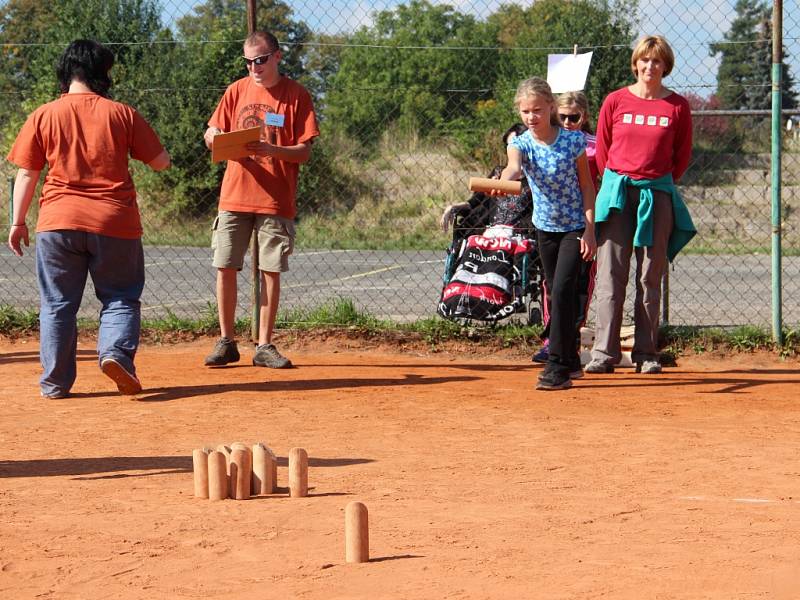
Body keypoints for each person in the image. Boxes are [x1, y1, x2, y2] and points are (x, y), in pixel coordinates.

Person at [6, 39, 170, 399]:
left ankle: (54, 383)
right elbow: (161, 162)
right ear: (101, 74)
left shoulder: (44, 114)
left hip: (57, 221)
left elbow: (28, 174)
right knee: (121, 297)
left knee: (57, 304)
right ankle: (114, 353)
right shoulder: (122, 113)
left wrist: (17, 222)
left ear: (67, 72)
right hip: (114, 222)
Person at [203, 30, 319, 369]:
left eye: (261, 60)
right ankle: (226, 341)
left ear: (277, 57)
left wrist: (273, 150)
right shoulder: (236, 90)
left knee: (270, 270)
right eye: (249, 61)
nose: (254, 66)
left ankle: (265, 345)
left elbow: (305, 152)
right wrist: (216, 138)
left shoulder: (296, 95)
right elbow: (211, 132)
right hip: (234, 195)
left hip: (274, 199)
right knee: (225, 265)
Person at [584, 35, 696, 375]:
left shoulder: (677, 106)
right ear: (636, 64)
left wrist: (655, 182)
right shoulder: (615, 101)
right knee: (610, 276)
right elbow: (603, 153)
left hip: (656, 196)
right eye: (644, 60)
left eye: (657, 61)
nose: (650, 66)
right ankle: (605, 353)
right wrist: (620, 181)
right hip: (617, 195)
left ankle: (646, 353)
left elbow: (682, 155)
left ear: (666, 66)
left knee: (650, 276)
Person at [494, 77, 597, 391]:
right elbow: (513, 169)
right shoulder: (520, 143)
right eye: (525, 111)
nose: (531, 117)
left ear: (551, 107)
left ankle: (556, 367)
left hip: (575, 227)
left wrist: (590, 230)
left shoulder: (572, 142)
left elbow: (587, 186)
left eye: (537, 110)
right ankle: (571, 358)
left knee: (564, 291)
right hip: (544, 228)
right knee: (555, 292)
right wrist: (502, 179)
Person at [533, 91, 599, 364]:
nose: (569, 122)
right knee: (554, 285)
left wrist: (593, 224)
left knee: (580, 285)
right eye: (563, 117)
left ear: (584, 117)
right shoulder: (548, 142)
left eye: (575, 117)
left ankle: (571, 338)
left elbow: (597, 180)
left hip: (585, 221)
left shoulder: (594, 145)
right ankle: (554, 340)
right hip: (551, 221)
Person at [440, 123, 532, 239]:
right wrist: (454, 207)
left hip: (520, 238)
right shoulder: (498, 173)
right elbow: (476, 201)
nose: (513, 150)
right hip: (490, 235)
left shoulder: (537, 178)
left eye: (516, 146)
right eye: (509, 146)